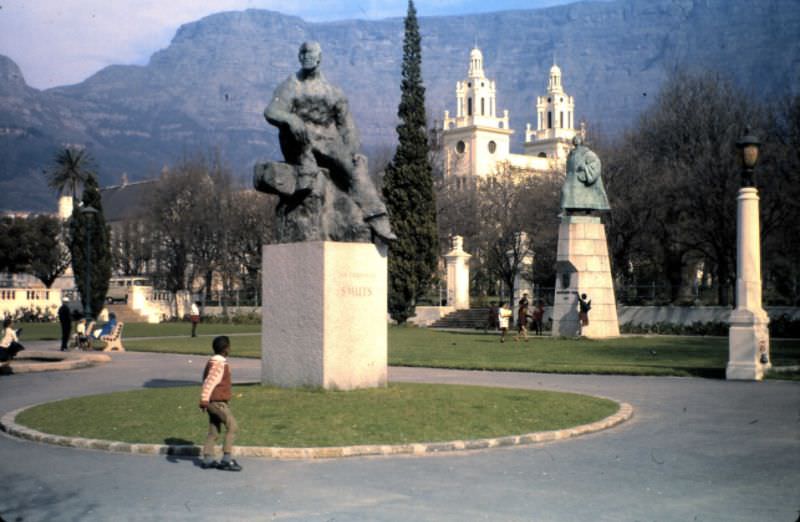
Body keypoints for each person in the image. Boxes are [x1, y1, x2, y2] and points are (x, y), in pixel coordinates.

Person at [264, 41, 395, 241]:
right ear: (299, 57)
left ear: (319, 57)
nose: (307, 57)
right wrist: (290, 119)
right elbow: (271, 111)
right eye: (303, 53)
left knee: (356, 167)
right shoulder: (291, 86)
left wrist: (351, 150)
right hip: (298, 143)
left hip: (327, 144)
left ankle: (376, 217)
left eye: (311, 53)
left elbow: (347, 125)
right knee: (301, 142)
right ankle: (307, 174)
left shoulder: (333, 92)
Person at [199, 335, 242, 471]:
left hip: (212, 402)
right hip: (217, 403)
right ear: (226, 349)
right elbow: (209, 382)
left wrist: (206, 401)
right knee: (233, 426)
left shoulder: (211, 361)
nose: (230, 348)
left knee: (214, 431)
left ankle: (208, 459)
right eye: (229, 346)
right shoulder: (220, 364)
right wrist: (204, 400)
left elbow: (206, 380)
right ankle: (226, 459)